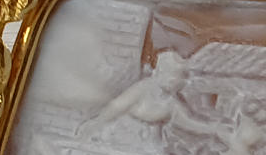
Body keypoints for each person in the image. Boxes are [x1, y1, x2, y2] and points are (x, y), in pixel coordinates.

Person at [77, 50, 222, 139]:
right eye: (171, 74)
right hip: (122, 138)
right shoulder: (143, 89)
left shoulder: (171, 103)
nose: (175, 80)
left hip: (148, 147)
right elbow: (117, 106)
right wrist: (96, 123)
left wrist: (215, 130)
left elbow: (188, 123)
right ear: (159, 71)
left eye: (178, 77)